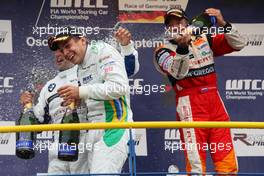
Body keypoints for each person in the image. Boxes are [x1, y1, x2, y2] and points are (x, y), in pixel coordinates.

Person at [20, 27, 139, 174]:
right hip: (93, 131)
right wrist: (78, 99)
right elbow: (96, 96)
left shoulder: (102, 51)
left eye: (68, 46)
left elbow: (120, 87)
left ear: (83, 40)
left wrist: (80, 92)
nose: (65, 53)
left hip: (114, 127)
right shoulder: (80, 67)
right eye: (62, 50)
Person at [154, 8, 246, 174]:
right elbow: (177, 73)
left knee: (227, 160)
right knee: (196, 164)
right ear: (167, 29)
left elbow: (239, 43)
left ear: (187, 22)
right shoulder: (163, 50)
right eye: (171, 24)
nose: (176, 26)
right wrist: (182, 48)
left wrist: (223, 24)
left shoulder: (204, 38)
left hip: (214, 101)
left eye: (179, 22)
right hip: (189, 105)